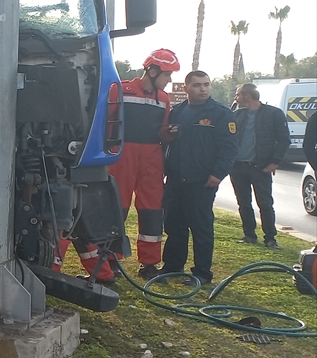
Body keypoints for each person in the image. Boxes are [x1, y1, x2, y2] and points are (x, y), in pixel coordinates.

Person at [160, 70, 238, 285]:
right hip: (176, 179)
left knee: (201, 228)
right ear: (186, 88)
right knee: (174, 225)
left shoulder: (220, 113)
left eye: (206, 84)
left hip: (201, 180)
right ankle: (173, 266)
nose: (203, 89)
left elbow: (229, 148)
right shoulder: (177, 112)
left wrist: (218, 174)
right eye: (197, 85)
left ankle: (202, 273)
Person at [116, 50, 179, 280]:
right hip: (123, 156)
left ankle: (149, 263)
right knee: (116, 207)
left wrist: (169, 133)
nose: (169, 80)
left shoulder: (163, 99)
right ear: (152, 71)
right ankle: (111, 259)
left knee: (152, 210)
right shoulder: (120, 89)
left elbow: (162, 130)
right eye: (167, 75)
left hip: (152, 157)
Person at [230, 83, 291, 249]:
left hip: (261, 167)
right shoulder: (237, 115)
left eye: (238, 94)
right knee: (243, 202)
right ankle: (249, 235)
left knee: (265, 203)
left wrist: (274, 162)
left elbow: (284, 140)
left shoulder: (273, 114)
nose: (236, 98)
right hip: (238, 167)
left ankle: (270, 238)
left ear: (247, 96)